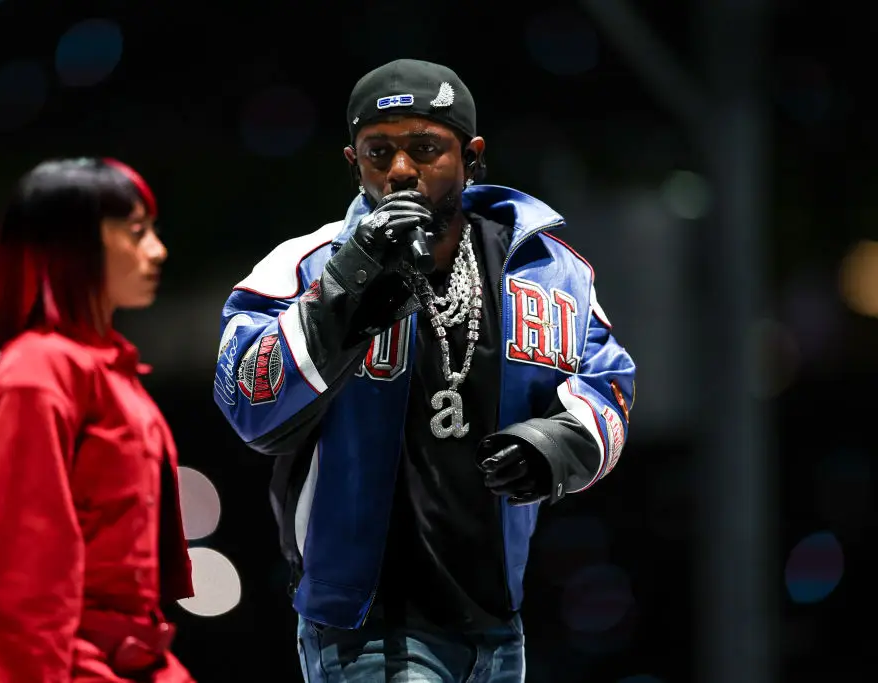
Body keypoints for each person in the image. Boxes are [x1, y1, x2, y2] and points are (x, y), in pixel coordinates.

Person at [213, 59, 636, 682]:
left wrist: (560, 444)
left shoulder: (546, 269)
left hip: (496, 619)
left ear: (472, 156)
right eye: (378, 151)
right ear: (352, 162)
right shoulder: (302, 265)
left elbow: (609, 383)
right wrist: (344, 289)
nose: (401, 170)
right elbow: (247, 402)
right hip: (367, 623)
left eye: (425, 148)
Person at [0, 158, 198, 683]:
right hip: (61, 665)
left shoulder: (109, 371)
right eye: (136, 232)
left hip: (132, 661)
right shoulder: (38, 371)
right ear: (73, 245)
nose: (157, 251)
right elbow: (19, 573)